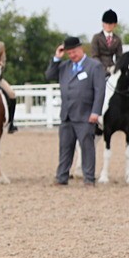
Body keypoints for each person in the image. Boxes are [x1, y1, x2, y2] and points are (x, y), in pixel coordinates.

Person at [45, 35, 106, 186]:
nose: (72, 55)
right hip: (67, 114)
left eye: (74, 52)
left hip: (85, 114)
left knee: (87, 148)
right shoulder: (64, 66)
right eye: (69, 53)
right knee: (65, 148)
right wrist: (56, 58)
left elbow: (100, 91)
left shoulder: (94, 66)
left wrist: (95, 112)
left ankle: (89, 178)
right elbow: (49, 75)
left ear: (81, 49)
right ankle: (62, 177)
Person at [88, 8, 123, 115]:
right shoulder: (97, 38)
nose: (108, 25)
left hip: (113, 68)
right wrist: (104, 68)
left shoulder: (117, 39)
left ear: (115, 25)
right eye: (106, 23)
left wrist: (116, 68)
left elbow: (119, 57)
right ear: (103, 24)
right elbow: (94, 55)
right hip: (97, 67)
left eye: (111, 23)